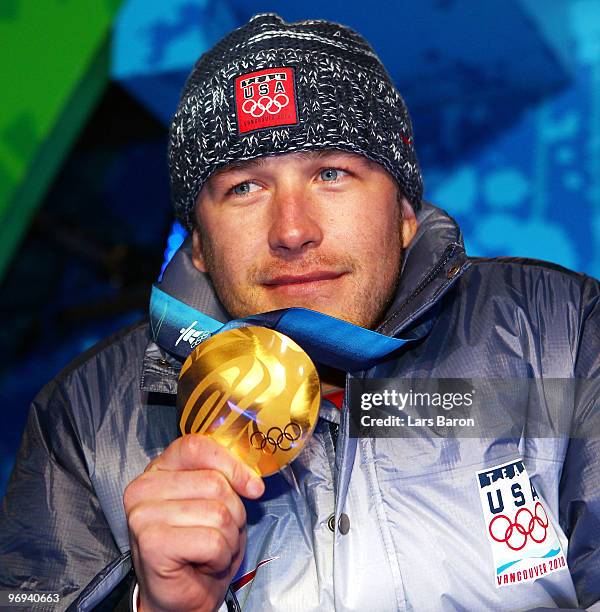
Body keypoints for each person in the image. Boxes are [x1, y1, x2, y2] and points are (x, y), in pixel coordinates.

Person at [1, 12, 599, 612]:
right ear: (200, 243)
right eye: (245, 188)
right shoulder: (86, 418)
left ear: (404, 212)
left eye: (331, 173)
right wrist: (149, 606)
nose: (292, 230)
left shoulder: (559, 332)